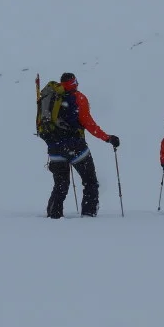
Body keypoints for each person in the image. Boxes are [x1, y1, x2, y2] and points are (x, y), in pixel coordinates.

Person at [39, 72, 119, 218]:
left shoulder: (52, 97)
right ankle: (88, 215)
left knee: (61, 185)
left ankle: (53, 216)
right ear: (74, 82)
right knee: (90, 182)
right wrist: (107, 138)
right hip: (75, 147)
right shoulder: (78, 98)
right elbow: (89, 124)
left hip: (54, 148)